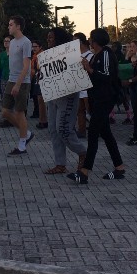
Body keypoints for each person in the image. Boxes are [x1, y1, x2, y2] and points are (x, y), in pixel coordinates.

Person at [68, 28, 125, 183]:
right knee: (106, 133)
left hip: (104, 99)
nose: (90, 42)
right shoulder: (97, 55)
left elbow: (106, 76)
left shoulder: (105, 54)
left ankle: (85, 172)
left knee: (93, 134)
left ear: (96, 41)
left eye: (91, 39)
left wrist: (90, 69)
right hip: (98, 98)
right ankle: (119, 167)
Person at [44, 27, 86, 175]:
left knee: (63, 129)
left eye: (51, 37)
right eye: (48, 37)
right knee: (54, 130)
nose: (48, 40)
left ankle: (83, 152)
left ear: (59, 39)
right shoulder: (48, 55)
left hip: (67, 96)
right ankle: (60, 164)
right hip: (53, 95)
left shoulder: (70, 54)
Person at [3, 16, 34, 156]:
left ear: (18, 26)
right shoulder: (13, 42)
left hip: (22, 82)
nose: (8, 27)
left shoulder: (26, 42)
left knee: (19, 112)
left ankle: (22, 146)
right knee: (4, 111)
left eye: (11, 25)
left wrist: (18, 84)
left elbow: (27, 66)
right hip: (11, 80)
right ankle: (26, 133)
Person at [74, 33, 94, 138]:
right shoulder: (77, 55)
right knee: (80, 111)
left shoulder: (90, 56)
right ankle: (81, 131)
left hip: (88, 88)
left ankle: (96, 130)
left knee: (90, 111)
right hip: (79, 87)